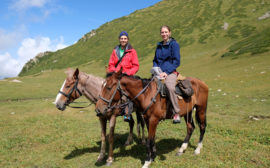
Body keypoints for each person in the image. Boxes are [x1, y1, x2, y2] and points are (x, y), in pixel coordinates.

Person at [107, 31, 139, 121]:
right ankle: (108, 108)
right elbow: (111, 64)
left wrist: (127, 72)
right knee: (108, 88)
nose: (123, 40)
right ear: (119, 39)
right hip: (117, 75)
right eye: (121, 38)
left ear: (127, 39)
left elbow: (136, 66)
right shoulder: (115, 51)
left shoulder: (132, 51)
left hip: (128, 76)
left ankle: (127, 112)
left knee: (128, 92)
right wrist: (114, 71)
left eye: (125, 38)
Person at [152, 25, 181, 123]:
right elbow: (155, 60)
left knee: (169, 87)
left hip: (170, 72)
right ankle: (155, 111)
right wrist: (155, 69)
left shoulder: (174, 44)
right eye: (162, 32)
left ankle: (176, 112)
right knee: (149, 86)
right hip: (159, 73)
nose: (164, 34)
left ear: (169, 33)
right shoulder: (159, 45)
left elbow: (177, 61)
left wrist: (166, 72)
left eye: (166, 32)